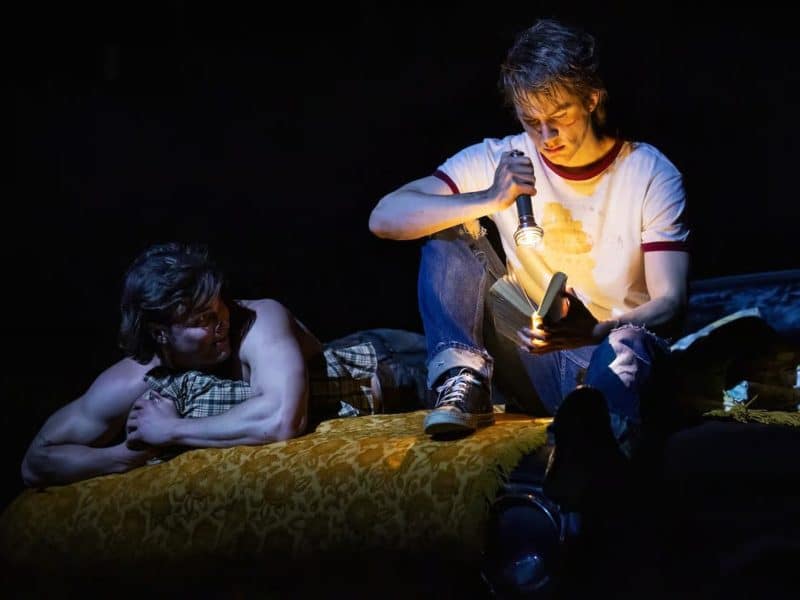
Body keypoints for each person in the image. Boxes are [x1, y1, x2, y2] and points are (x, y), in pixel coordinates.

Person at [369, 18, 690, 508]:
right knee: (448, 230)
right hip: (536, 359)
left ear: (592, 99)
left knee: (630, 344)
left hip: (606, 358)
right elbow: (384, 218)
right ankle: (461, 380)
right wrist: (488, 196)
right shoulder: (503, 158)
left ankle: (601, 445)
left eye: (558, 115)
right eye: (529, 120)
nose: (545, 135)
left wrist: (597, 330)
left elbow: (669, 303)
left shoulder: (649, 172)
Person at [21, 242, 427, 487]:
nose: (221, 325)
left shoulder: (259, 320)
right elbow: (37, 461)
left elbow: (282, 420)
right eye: (201, 321)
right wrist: (122, 459)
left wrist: (171, 430)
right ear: (160, 332)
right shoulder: (135, 378)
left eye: (218, 310)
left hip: (394, 365)